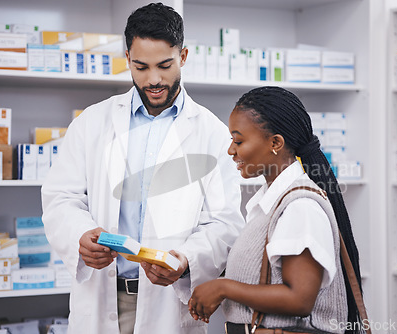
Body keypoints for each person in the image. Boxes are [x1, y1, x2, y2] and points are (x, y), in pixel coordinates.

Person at [41, 3, 244, 333]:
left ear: (184, 56)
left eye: (165, 65)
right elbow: (61, 197)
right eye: (141, 67)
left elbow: (225, 221)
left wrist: (185, 258)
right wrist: (80, 235)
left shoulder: (211, 131)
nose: (153, 80)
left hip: (169, 304)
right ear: (128, 59)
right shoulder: (93, 121)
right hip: (102, 297)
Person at [188, 86, 364, 334]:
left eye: (238, 140)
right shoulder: (271, 203)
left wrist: (223, 288)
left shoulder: (300, 207)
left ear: (275, 143)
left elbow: (299, 299)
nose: (231, 150)